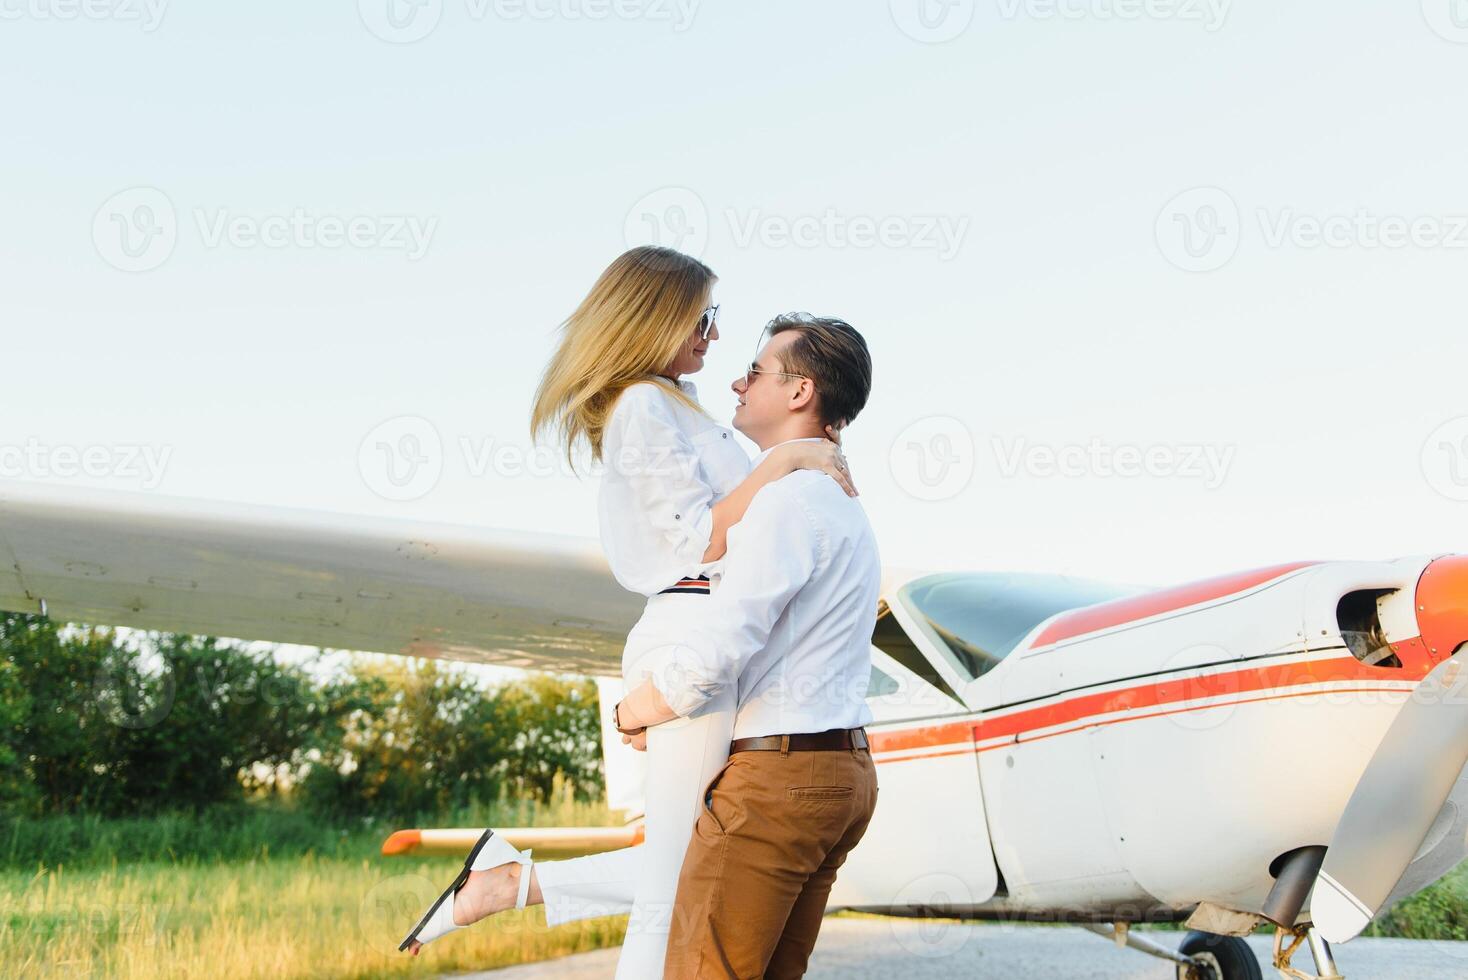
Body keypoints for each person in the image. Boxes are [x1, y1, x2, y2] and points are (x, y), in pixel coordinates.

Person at [398, 248, 854, 980]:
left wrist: (806, 458)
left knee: (683, 864)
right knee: (675, 880)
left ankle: (506, 884)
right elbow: (694, 541)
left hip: (700, 634)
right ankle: (505, 885)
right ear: (655, 318)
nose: (712, 334)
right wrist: (784, 464)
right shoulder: (644, 405)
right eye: (700, 317)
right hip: (687, 627)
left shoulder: (676, 403)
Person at [615, 313, 881, 979]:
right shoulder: (841, 503)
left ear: (800, 393)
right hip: (844, 774)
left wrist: (641, 709)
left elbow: (724, 640)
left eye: (757, 371)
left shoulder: (786, 503)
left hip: (780, 781)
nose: (738, 381)